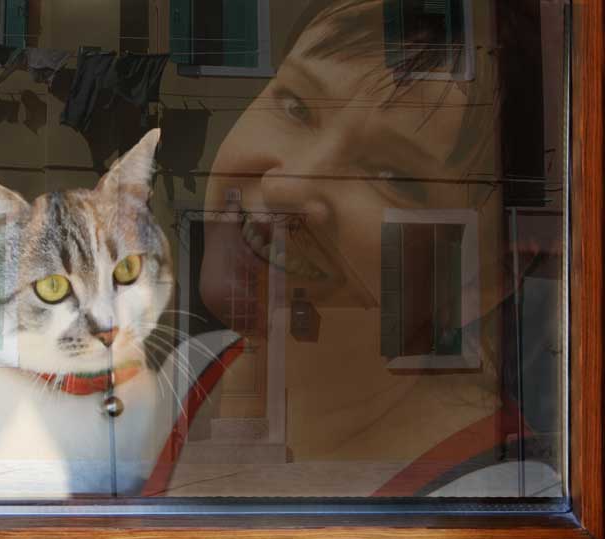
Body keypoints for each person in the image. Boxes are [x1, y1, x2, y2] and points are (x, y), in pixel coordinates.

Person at [177, 0, 563, 497]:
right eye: (297, 106)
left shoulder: (498, 507)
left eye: (393, 176)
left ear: (486, 280)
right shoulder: (186, 373)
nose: (287, 188)